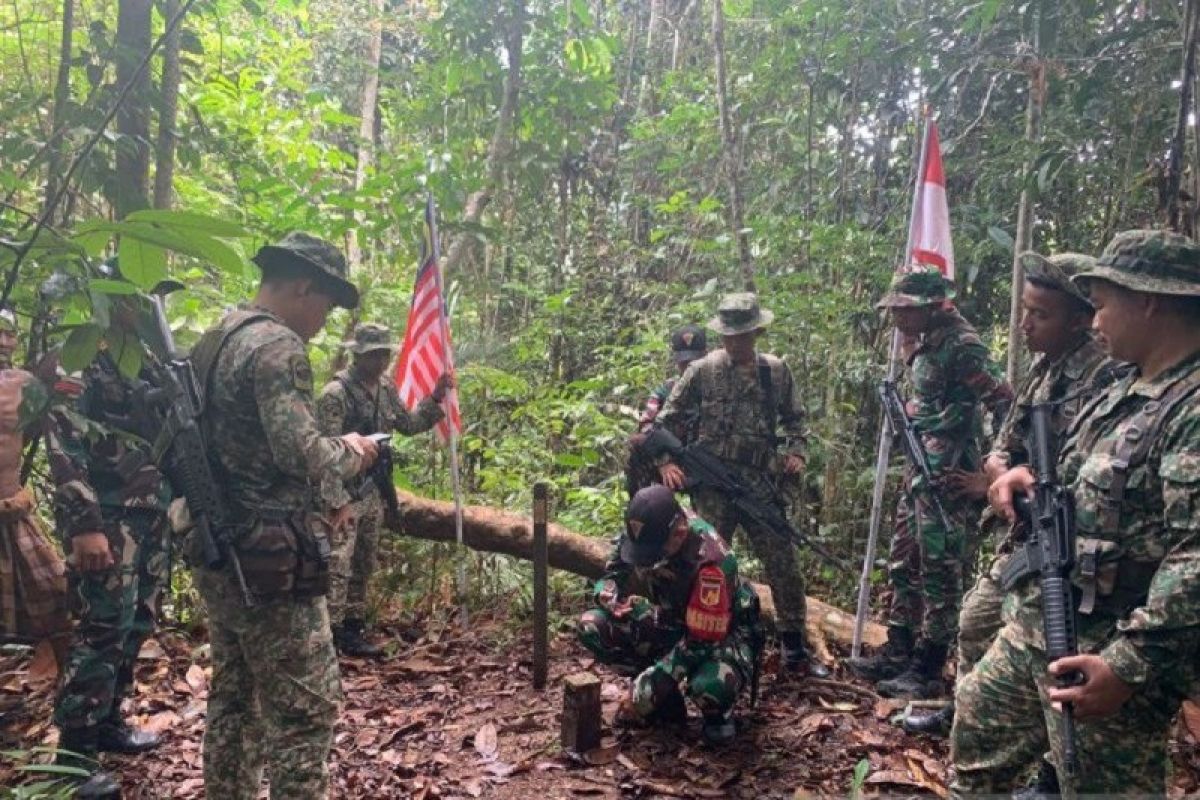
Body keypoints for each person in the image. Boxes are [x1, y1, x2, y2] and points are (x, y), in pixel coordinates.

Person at [952, 230, 1200, 796]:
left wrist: (1129, 664)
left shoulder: (1190, 407)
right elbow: (1083, 485)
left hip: (1105, 653)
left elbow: (1195, 559)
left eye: (1103, 303)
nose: (1094, 320)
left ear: (1149, 300)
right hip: (1042, 621)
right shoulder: (1128, 389)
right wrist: (1026, 481)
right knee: (976, 758)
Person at [903, 252, 1121, 770]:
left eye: (1038, 315)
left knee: (1057, 651)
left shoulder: (1103, 375)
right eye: (1024, 311)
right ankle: (974, 711)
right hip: (1028, 533)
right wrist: (1000, 463)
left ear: (1078, 318)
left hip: (1075, 542)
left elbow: (1099, 467)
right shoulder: (1046, 367)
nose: (1024, 324)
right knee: (976, 621)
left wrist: (1009, 478)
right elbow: (1011, 431)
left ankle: (1047, 761)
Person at [188, 232, 380, 800]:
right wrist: (353, 450)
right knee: (305, 709)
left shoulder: (215, 338)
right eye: (326, 303)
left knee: (235, 696)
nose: (324, 319)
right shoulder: (277, 346)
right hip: (269, 560)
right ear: (302, 285)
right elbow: (299, 452)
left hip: (216, 545)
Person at [848, 269, 1012, 698]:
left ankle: (929, 665)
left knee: (941, 571)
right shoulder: (924, 341)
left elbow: (1006, 404)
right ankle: (899, 648)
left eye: (906, 310)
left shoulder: (963, 345)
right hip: (919, 472)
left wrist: (989, 475)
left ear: (931, 306)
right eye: (895, 310)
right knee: (905, 561)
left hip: (948, 478)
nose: (897, 318)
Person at [46, 282, 180, 798]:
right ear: (110, 300)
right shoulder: (83, 357)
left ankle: (107, 722)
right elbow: (64, 440)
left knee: (136, 623)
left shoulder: (151, 365)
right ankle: (72, 756)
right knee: (101, 627)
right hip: (106, 518)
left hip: (151, 516)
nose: (143, 310)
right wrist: (84, 523)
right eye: (134, 300)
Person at [654, 293, 827, 677]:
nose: (735, 343)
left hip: (760, 485)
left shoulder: (776, 372)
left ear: (756, 333)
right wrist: (666, 462)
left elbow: (798, 422)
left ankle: (794, 647)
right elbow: (664, 421)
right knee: (704, 563)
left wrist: (797, 452)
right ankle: (698, 638)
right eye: (729, 336)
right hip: (712, 486)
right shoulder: (702, 370)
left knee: (782, 561)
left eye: (743, 336)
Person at [577, 484, 762, 744]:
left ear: (679, 533)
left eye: (654, 555)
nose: (646, 560)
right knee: (592, 626)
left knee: (709, 686)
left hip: (722, 636)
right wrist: (608, 596)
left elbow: (702, 641)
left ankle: (717, 715)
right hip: (674, 619)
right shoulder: (648, 529)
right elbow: (612, 574)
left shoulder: (713, 563)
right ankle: (667, 706)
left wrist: (652, 684)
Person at [316, 322, 449, 657]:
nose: (381, 361)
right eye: (374, 355)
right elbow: (324, 453)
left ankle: (353, 630)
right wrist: (336, 502)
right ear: (358, 356)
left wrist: (435, 397)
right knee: (336, 567)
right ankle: (328, 637)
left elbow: (409, 424)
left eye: (384, 354)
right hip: (343, 493)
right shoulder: (336, 394)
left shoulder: (386, 389)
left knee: (363, 561)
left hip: (373, 488)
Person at [0, 309, 69, 666]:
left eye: (9, 333)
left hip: (12, 514)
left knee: (55, 596)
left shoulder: (24, 385)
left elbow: (31, 436)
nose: (4, 341)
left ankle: (69, 695)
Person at [624, 324, 707, 496]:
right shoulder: (666, 390)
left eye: (694, 362)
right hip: (676, 457)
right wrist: (663, 461)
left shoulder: (716, 388)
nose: (688, 368)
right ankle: (643, 510)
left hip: (708, 459)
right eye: (684, 363)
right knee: (637, 447)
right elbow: (646, 426)